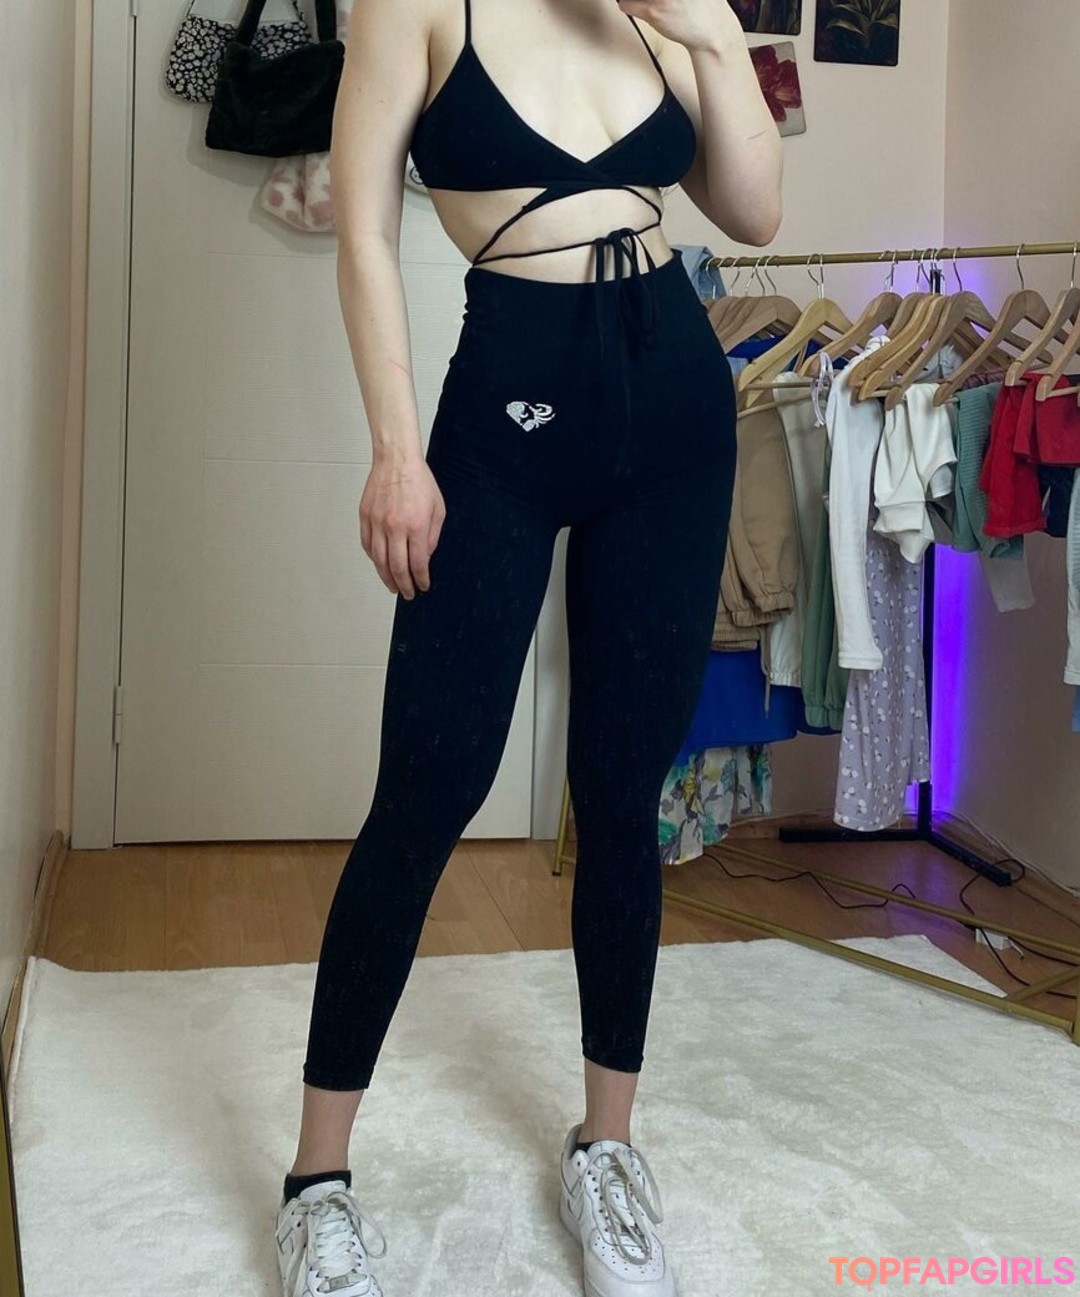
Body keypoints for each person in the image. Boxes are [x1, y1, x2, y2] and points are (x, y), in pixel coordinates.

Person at [274, 0, 782, 1293]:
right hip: (507, 406)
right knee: (427, 786)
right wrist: (396, 450)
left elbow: (755, 213)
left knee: (621, 790)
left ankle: (607, 1148)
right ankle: (317, 1184)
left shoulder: (654, 10)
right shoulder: (414, 8)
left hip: (675, 405)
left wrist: (717, 38)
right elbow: (366, 233)